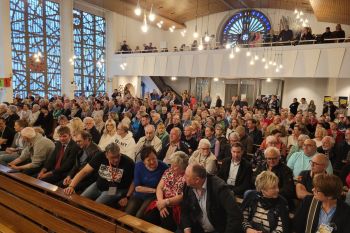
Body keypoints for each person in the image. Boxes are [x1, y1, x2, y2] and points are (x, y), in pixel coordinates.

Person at [64, 143, 134, 208]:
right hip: (98, 185)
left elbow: (134, 181)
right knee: (81, 199)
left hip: (114, 189)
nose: (116, 160)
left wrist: (127, 197)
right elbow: (84, 171)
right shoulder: (100, 156)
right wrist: (71, 186)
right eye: (112, 157)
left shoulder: (128, 162)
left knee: (96, 205)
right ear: (106, 155)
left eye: (117, 156)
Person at [180, 163, 243, 233]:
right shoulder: (188, 185)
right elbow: (184, 210)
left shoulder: (220, 188)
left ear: (197, 180)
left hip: (219, 230)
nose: (184, 177)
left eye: (187, 176)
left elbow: (235, 215)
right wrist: (187, 228)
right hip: (197, 228)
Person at [143, 151, 189, 231]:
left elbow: (182, 196)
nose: (171, 167)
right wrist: (161, 202)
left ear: (183, 167)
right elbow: (159, 188)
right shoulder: (168, 171)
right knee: (149, 217)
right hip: (161, 200)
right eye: (171, 164)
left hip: (174, 205)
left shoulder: (187, 177)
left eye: (175, 166)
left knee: (165, 221)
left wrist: (165, 202)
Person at [125, 146, 168, 218]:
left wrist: (158, 192)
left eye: (154, 158)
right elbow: (137, 188)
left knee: (139, 215)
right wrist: (155, 190)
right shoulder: (139, 166)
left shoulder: (164, 167)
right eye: (148, 160)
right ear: (143, 161)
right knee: (128, 213)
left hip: (153, 196)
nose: (152, 162)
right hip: (139, 194)